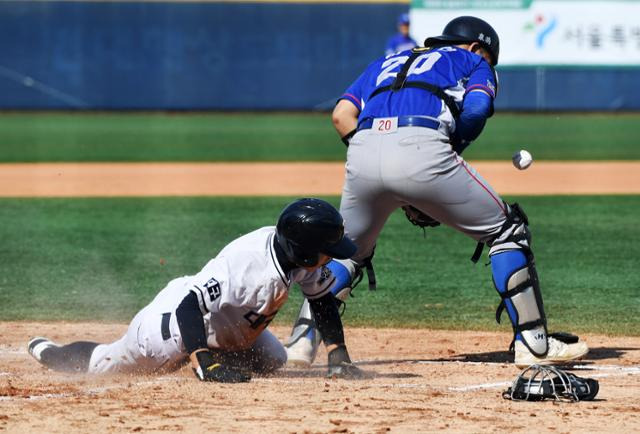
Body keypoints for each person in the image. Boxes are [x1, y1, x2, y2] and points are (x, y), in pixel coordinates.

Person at [285, 16, 589, 369]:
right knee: (508, 230)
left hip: (362, 148)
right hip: (423, 144)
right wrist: (439, 155)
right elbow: (476, 108)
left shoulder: (388, 60)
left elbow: (341, 115)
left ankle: (300, 345)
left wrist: (376, 157)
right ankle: (534, 345)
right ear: (477, 47)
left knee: (348, 252)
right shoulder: (475, 61)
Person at [28, 198, 363, 382]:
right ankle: (50, 352)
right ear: (303, 250)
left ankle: (210, 351)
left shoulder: (299, 259)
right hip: (171, 325)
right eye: (328, 250)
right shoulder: (245, 265)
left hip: (226, 325)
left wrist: (338, 353)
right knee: (107, 363)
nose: (332, 257)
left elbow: (321, 302)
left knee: (273, 359)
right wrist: (205, 364)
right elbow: (189, 306)